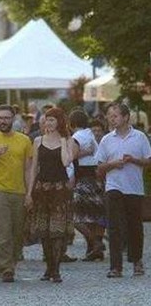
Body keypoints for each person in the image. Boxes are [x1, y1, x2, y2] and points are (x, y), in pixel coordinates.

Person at [96, 102, 151, 278]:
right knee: (114, 227)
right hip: (114, 186)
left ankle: (136, 261)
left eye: (115, 115)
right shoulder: (106, 139)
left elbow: (148, 161)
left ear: (126, 117)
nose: (112, 119)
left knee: (134, 225)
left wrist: (134, 160)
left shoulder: (140, 137)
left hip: (134, 187)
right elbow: (99, 167)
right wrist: (112, 164)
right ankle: (115, 266)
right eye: (109, 116)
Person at [0, 105, 33, 283]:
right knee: (3, 231)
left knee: (17, 232)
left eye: (7, 118)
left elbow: (28, 169)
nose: (3, 121)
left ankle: (13, 261)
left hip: (18, 191)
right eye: (0, 118)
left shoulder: (24, 140)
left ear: (13, 119)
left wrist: (29, 193)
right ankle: (6, 268)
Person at [25, 108, 74, 283]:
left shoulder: (67, 140)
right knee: (44, 231)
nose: (48, 123)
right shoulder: (38, 140)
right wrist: (29, 192)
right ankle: (49, 267)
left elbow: (66, 161)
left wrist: (62, 139)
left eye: (52, 120)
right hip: (42, 188)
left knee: (58, 231)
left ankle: (56, 269)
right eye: (47, 120)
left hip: (59, 189)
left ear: (60, 122)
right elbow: (33, 168)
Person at [69, 110, 105, 261]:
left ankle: (95, 243)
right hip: (95, 177)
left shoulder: (76, 137)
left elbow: (71, 156)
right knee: (94, 216)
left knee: (75, 217)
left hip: (83, 178)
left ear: (72, 123)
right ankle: (94, 249)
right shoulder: (90, 134)